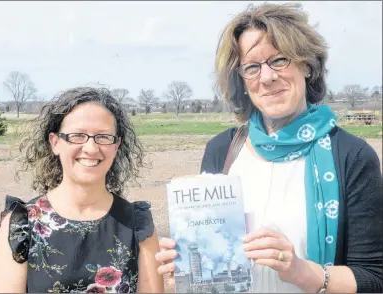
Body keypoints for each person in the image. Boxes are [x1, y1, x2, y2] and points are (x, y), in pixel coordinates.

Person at [155, 2, 382, 293]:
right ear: (241, 80)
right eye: (252, 67)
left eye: (279, 60)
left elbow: (374, 279)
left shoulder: (351, 156)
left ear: (307, 64)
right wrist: (191, 274)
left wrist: (302, 272)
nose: (267, 77)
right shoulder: (222, 150)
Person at [0, 87, 164, 293]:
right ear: (55, 143)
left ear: (117, 146)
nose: (91, 148)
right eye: (77, 136)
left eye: (103, 137)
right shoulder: (21, 224)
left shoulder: (138, 226)